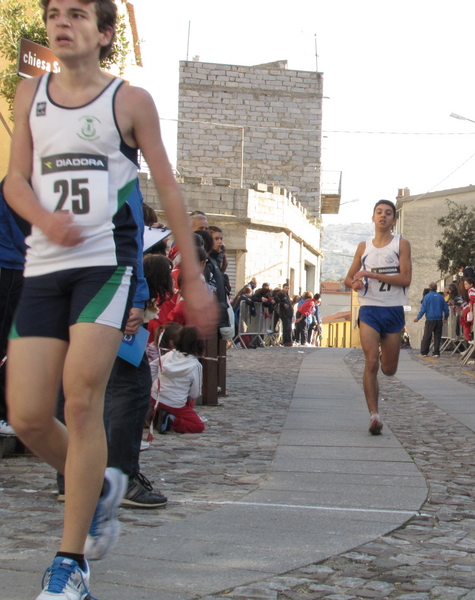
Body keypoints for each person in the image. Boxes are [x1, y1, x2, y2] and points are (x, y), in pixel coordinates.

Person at [3, 1, 217, 597]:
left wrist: (193, 279)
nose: (60, 22)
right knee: (24, 416)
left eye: (76, 13)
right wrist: (43, 216)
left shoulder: (129, 102)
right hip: (44, 268)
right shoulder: (30, 96)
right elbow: (15, 179)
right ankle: (96, 484)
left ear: (102, 32)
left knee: (80, 398)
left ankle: (70, 566)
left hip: (103, 266)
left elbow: (168, 189)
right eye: (53, 13)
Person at [344, 199, 411, 435]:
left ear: (394, 220)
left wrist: (372, 274)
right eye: (379, 212)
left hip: (393, 310)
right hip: (370, 309)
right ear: (373, 218)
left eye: (388, 213)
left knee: (389, 369)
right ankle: (374, 415)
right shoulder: (363, 247)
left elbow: (405, 279)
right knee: (371, 360)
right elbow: (348, 278)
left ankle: (387, 356)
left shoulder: (401, 244)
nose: (383, 216)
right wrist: (356, 283)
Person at [0, 179, 30, 438]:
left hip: (15, 267)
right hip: (10, 267)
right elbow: (26, 236)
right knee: (5, 344)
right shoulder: (17, 183)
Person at [150, 325, 205, 434]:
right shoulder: (195, 366)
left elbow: (151, 368)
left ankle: (159, 415)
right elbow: (195, 393)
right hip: (174, 403)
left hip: (156, 397)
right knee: (198, 426)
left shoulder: (168, 355)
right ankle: (172, 420)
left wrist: (155, 383)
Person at [414, 286, 449, 357]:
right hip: (439, 319)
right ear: (436, 288)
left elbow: (423, 309)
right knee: (437, 336)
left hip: (430, 319)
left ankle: (424, 351)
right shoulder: (440, 297)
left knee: (427, 335)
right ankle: (436, 352)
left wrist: (418, 318)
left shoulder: (427, 297)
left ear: (430, 288)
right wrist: (446, 317)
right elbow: (446, 308)